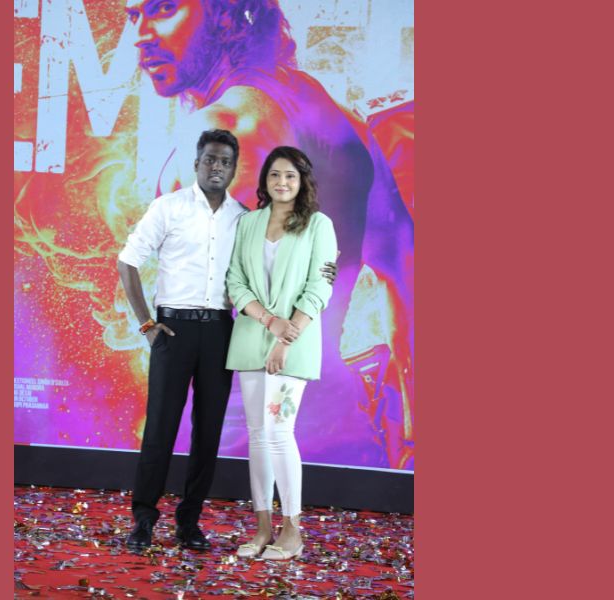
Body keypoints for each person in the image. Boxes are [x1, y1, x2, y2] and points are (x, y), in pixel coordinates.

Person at [125, 0, 414, 463]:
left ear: (224, 13)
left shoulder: (227, 127)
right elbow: (402, 264)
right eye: (133, 16)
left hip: (238, 432)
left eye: (163, 8)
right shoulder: (325, 109)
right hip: (338, 422)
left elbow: (233, 299)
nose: (141, 34)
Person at [117, 129, 336, 552]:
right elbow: (128, 260)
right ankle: (143, 518)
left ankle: (189, 522)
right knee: (160, 427)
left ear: (235, 169)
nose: (216, 167)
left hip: (221, 330)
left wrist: (289, 318)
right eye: (210, 159)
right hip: (173, 329)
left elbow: (288, 276)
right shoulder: (170, 207)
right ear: (197, 162)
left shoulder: (243, 216)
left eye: (225, 161)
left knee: (208, 432)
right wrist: (147, 324)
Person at [225, 146, 337, 560]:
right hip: (251, 338)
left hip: (294, 343)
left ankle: (292, 531)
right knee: (257, 436)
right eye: (274, 175)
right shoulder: (249, 223)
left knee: (277, 433)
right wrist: (268, 320)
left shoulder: (318, 225)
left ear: (302, 180)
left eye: (290, 175)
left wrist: (285, 338)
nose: (282, 182)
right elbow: (235, 281)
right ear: (265, 180)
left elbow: (320, 287)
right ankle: (262, 529)